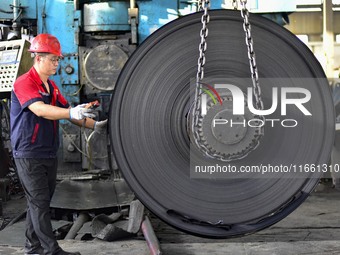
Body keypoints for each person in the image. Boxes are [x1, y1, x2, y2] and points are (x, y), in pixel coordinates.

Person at [10, 33, 107, 255]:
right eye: (53, 59)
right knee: (40, 202)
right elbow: (40, 110)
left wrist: (95, 125)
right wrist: (70, 111)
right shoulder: (24, 83)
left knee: (37, 203)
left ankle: (32, 248)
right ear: (38, 58)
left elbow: (70, 114)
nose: (57, 63)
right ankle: (51, 251)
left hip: (47, 152)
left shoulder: (51, 87)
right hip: (28, 153)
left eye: (58, 59)